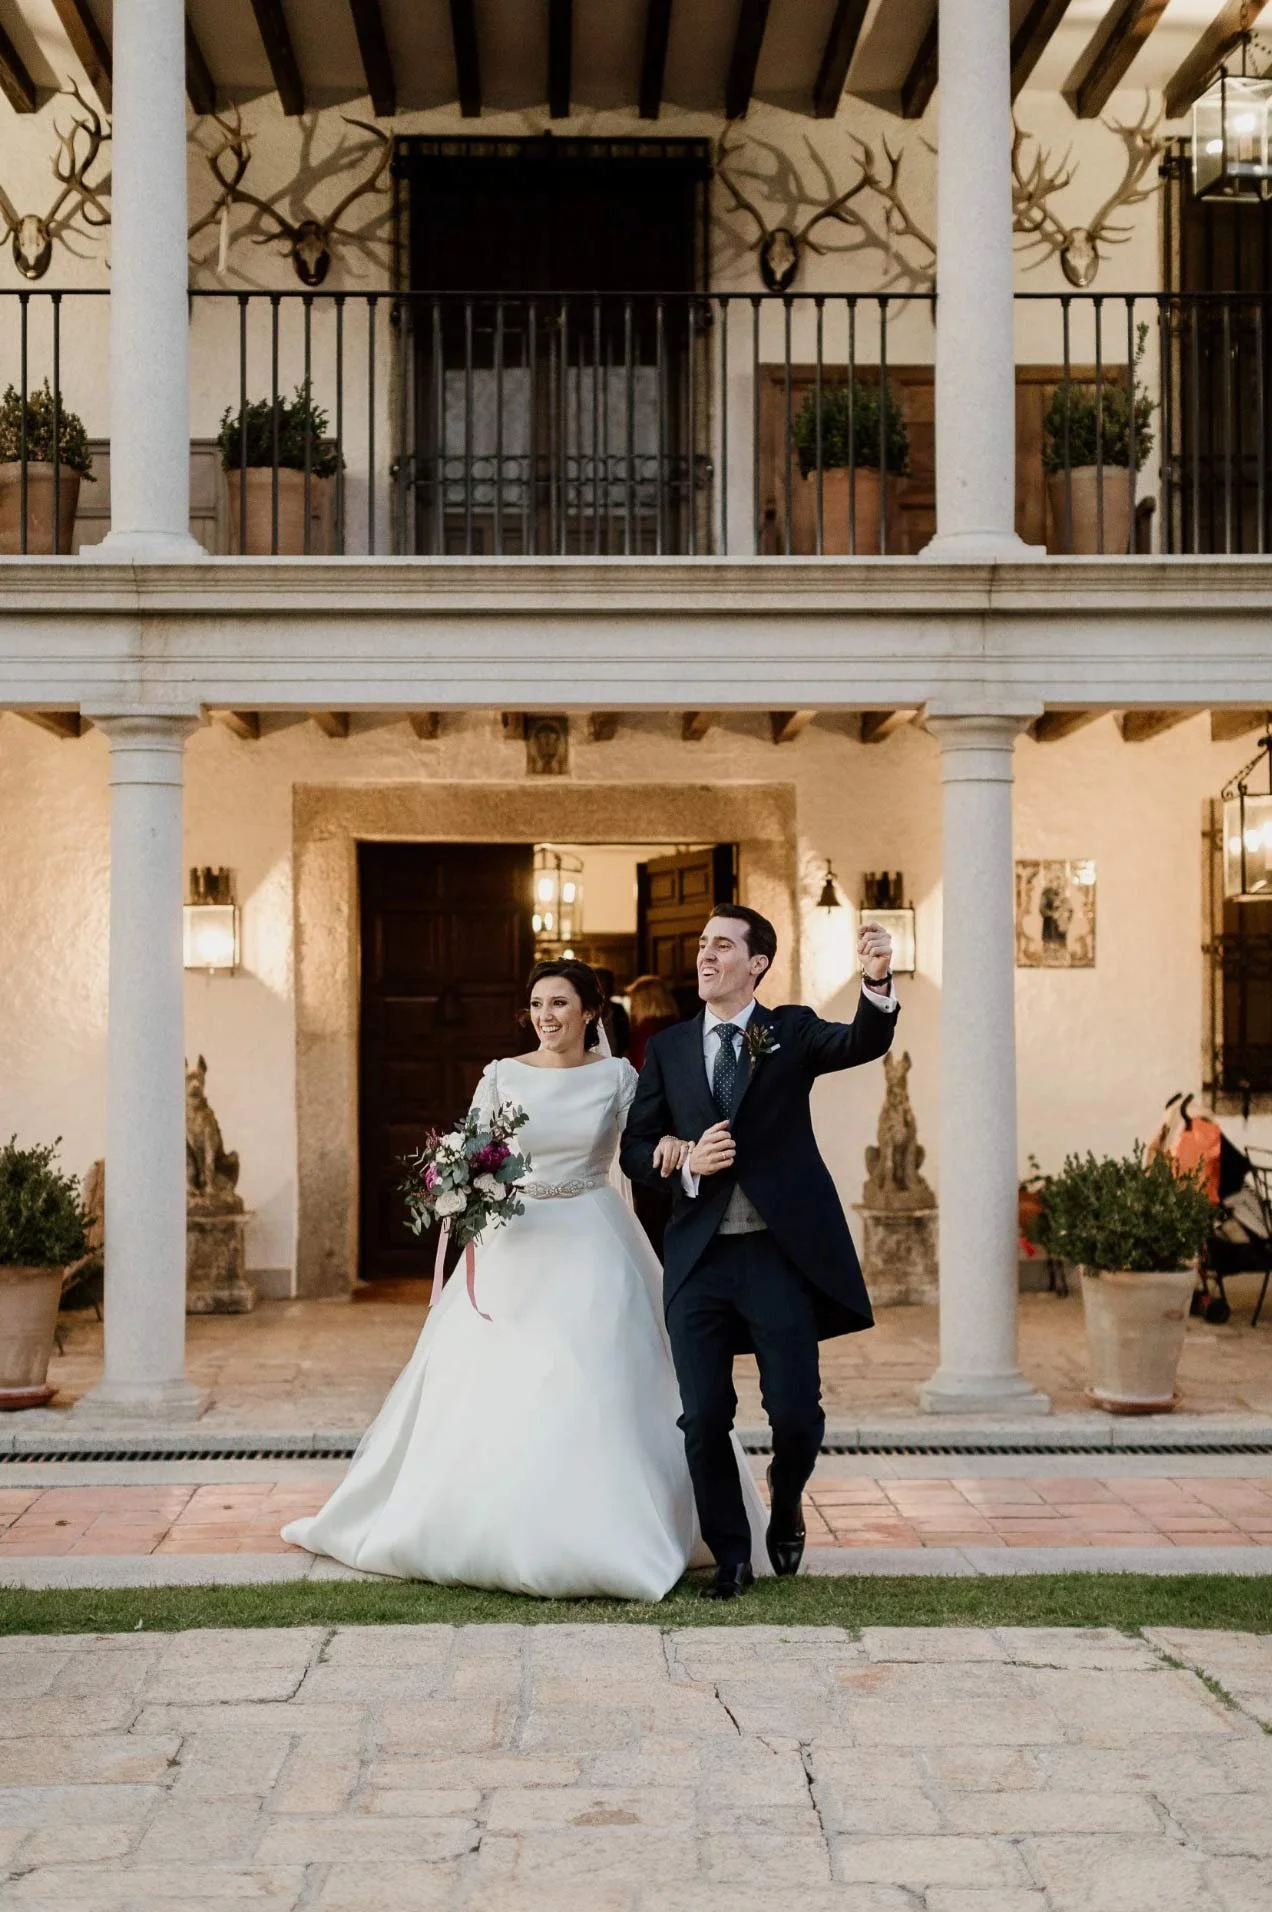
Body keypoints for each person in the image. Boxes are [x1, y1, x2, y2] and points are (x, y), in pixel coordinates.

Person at [282, 958, 766, 1600]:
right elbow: (474, 1145)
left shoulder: (620, 1076)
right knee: (498, 1377)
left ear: (591, 1011)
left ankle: (614, 1535)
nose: (547, 1016)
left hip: (593, 1234)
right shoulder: (502, 1075)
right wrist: (458, 1180)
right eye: (538, 1004)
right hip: (513, 1240)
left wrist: (680, 1151)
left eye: (561, 1003)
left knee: (596, 1374)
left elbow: (645, 1141)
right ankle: (484, 1524)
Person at [621, 903, 898, 1600]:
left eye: (723, 945)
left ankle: (788, 1491)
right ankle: (734, 1555)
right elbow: (633, 1147)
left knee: (797, 1414)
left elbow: (860, 1043)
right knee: (704, 1416)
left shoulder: (792, 1031)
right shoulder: (670, 1049)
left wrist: (876, 982)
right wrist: (684, 1159)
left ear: (758, 964)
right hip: (699, 1260)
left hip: (778, 1255)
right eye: (703, 945)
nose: (706, 956)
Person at [626, 973, 681, 1071]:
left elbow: (643, 1069)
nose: (632, 1008)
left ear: (643, 1002)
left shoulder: (645, 1031)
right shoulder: (679, 1025)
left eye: (634, 1001)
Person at [592, 967, 631, 1058]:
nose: (602, 990)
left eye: (605, 985)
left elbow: (625, 1040)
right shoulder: (585, 1011)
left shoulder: (617, 1010)